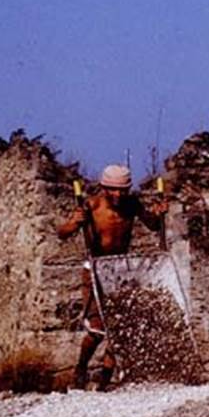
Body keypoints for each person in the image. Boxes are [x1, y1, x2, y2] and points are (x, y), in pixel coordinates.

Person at [57, 163, 167, 390]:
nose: (118, 195)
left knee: (120, 327)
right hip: (95, 269)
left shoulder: (132, 205)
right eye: (113, 190)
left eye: (123, 190)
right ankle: (81, 368)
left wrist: (159, 213)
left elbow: (154, 226)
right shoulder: (91, 206)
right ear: (103, 187)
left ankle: (105, 381)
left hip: (120, 270)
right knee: (97, 329)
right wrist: (74, 222)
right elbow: (62, 233)